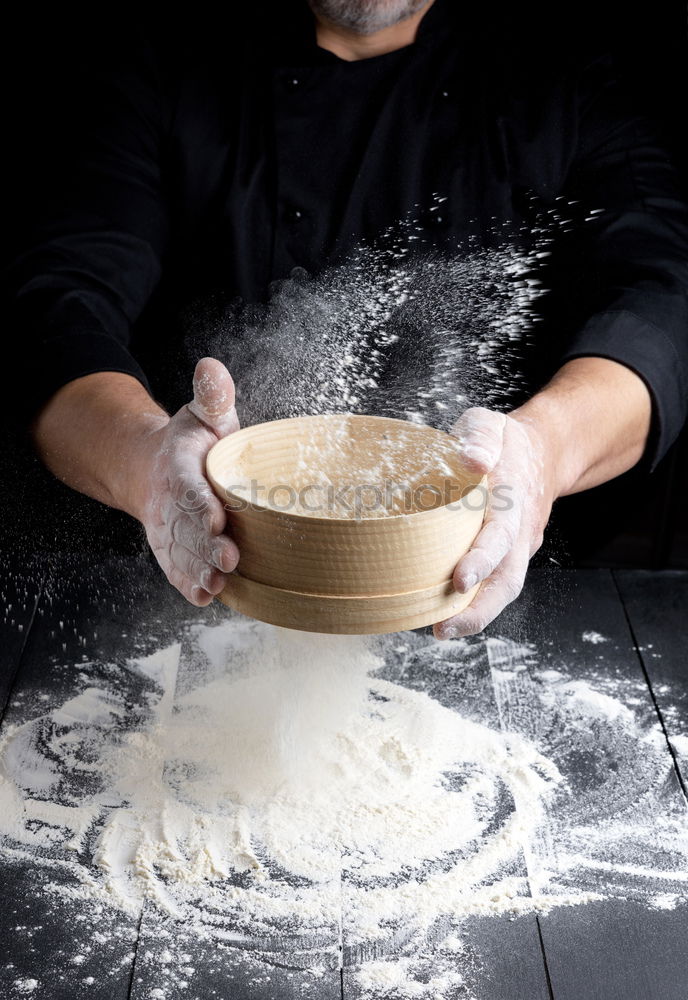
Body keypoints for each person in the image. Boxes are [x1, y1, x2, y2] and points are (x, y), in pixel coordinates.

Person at [6, 0, 688, 638]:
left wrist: (548, 449)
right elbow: (55, 303)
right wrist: (141, 462)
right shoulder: (163, 58)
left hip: (485, 585)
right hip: (190, 574)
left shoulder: (559, 70)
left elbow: (665, 296)